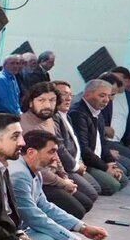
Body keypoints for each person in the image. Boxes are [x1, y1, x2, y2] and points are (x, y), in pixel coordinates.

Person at [10, 130, 106, 240]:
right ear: (31, 152)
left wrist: (83, 228)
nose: (56, 157)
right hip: (15, 234)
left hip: (26, 228)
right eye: (51, 152)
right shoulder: (19, 175)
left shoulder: (34, 170)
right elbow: (34, 217)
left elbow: (45, 207)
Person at [20, 82, 94, 218]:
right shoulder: (25, 126)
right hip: (38, 181)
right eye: (41, 100)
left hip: (53, 176)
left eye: (52, 100)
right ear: (30, 103)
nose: (48, 105)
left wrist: (64, 176)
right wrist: (62, 183)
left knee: (87, 202)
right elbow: (37, 167)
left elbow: (55, 152)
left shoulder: (49, 120)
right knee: (77, 210)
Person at [70, 77, 127, 192]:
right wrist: (106, 168)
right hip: (85, 162)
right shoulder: (77, 113)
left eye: (109, 96)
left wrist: (111, 163)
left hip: (96, 158)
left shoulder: (98, 113)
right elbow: (84, 150)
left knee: (123, 178)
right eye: (102, 96)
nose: (106, 100)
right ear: (87, 95)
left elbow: (102, 142)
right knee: (113, 186)